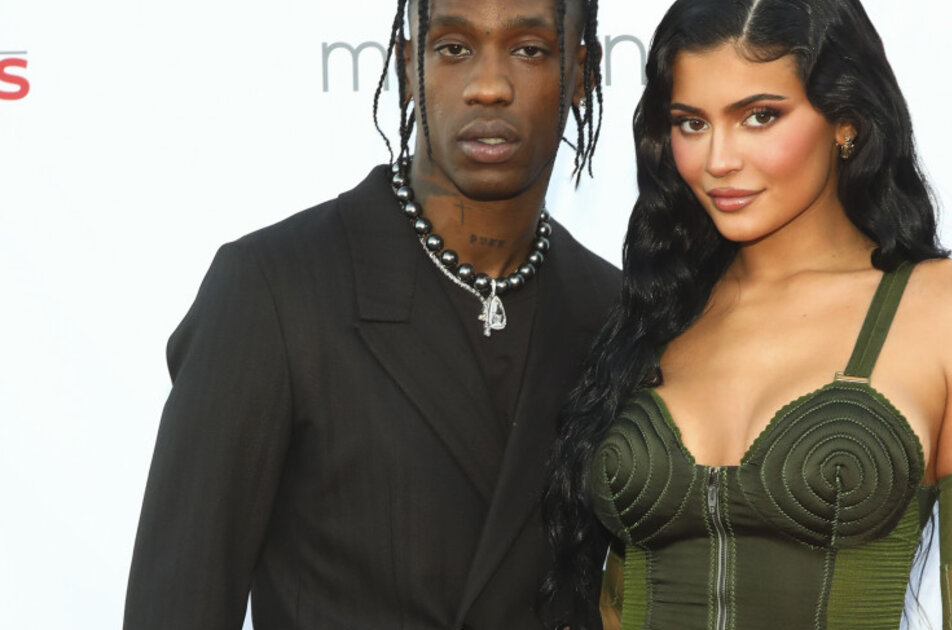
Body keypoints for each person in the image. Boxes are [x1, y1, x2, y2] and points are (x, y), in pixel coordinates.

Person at [124, 0, 616, 628]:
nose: (489, 86)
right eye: (453, 47)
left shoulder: (615, 314)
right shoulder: (275, 291)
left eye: (529, 49)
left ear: (581, 74)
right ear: (409, 68)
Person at [543, 0, 952, 628]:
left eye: (759, 116)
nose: (718, 159)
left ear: (845, 121)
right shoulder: (653, 313)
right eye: (691, 123)